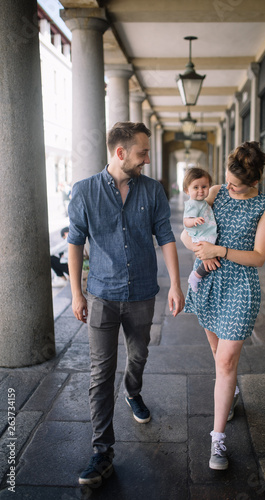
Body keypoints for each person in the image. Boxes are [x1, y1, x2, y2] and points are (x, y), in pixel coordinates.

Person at [67, 121, 185, 486]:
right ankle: (101, 452)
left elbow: (166, 236)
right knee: (100, 374)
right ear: (121, 153)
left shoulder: (152, 191)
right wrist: (76, 292)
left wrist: (176, 285)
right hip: (102, 295)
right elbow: (74, 241)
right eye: (142, 153)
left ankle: (133, 390)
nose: (147, 159)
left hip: (142, 294)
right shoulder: (84, 192)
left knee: (139, 355)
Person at [181, 141, 265, 470]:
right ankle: (229, 392)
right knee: (219, 356)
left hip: (240, 289)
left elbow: (259, 257)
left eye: (237, 185)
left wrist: (218, 251)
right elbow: (186, 230)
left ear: (254, 182)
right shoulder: (215, 190)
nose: (229, 189)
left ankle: (217, 441)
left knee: (225, 362)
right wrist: (196, 247)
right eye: (228, 182)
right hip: (208, 282)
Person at [183, 167, 217, 292]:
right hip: (201, 236)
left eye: (204, 187)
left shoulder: (202, 202)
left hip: (207, 234)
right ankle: (195, 276)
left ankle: (197, 275)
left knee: (212, 259)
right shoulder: (192, 204)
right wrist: (194, 221)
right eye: (195, 187)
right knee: (211, 259)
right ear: (187, 190)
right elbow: (186, 221)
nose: (201, 191)